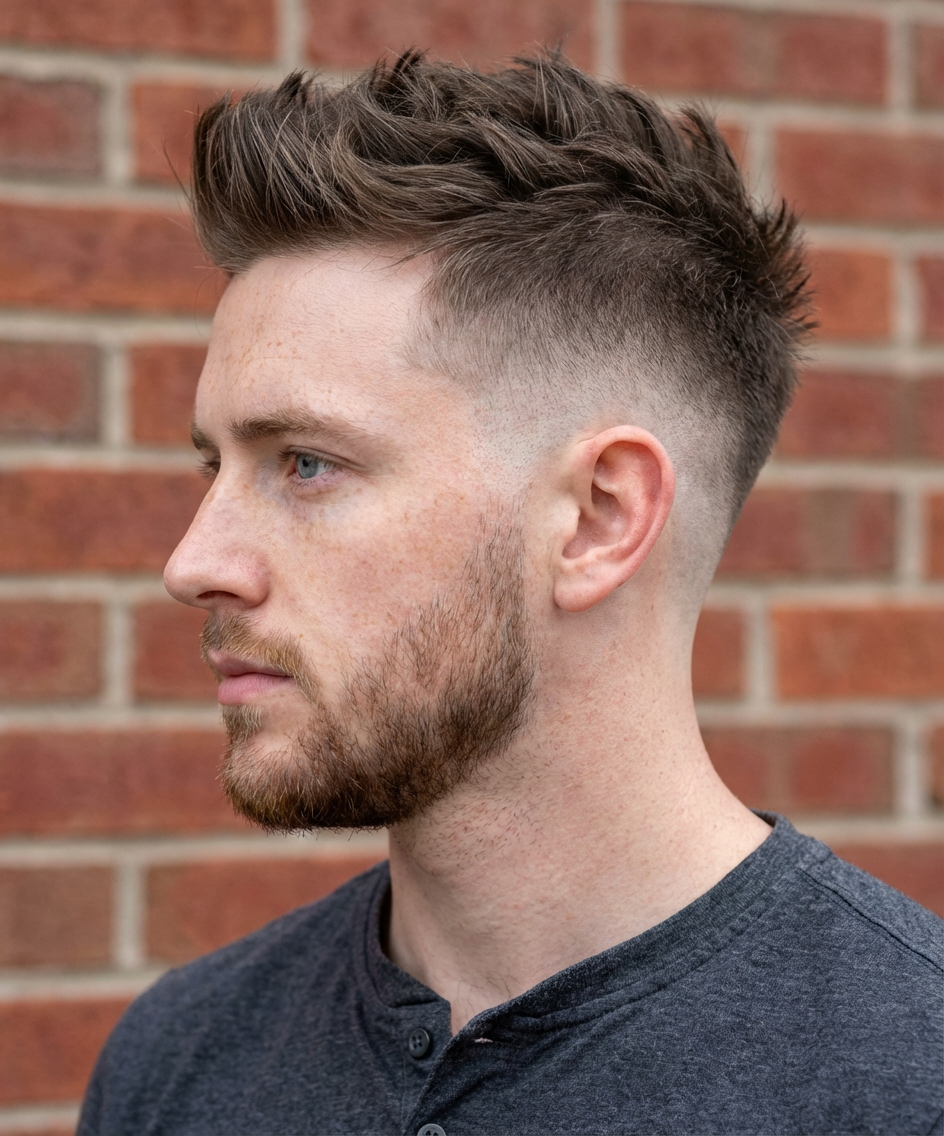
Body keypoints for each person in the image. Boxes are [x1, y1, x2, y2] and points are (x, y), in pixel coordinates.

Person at [78, 53, 942, 1136]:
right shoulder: (181, 1058)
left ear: (597, 517)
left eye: (304, 462)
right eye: (215, 465)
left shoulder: (908, 1074)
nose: (194, 560)